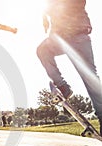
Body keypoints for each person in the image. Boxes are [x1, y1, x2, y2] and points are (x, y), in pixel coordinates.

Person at [37, 0, 102, 135]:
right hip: (61, 40)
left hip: (79, 37)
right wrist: (45, 17)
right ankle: (63, 86)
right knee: (43, 50)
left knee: (91, 79)